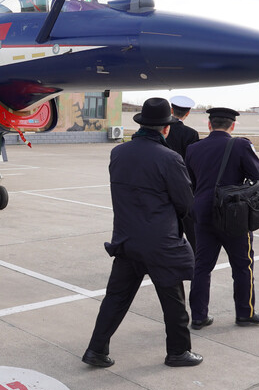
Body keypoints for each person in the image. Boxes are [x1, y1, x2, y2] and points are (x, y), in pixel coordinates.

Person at [82, 98, 202, 368]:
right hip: (161, 243)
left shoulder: (119, 153)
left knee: (115, 299)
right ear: (166, 128)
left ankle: (96, 349)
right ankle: (178, 352)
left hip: (126, 239)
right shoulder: (170, 158)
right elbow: (185, 204)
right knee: (173, 303)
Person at [186, 107, 259, 329]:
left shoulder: (193, 149)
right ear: (232, 126)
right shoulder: (240, 144)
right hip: (234, 214)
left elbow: (191, 181)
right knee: (242, 265)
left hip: (203, 212)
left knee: (202, 266)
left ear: (209, 124)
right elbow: (256, 176)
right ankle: (245, 313)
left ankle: (199, 316)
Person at [164, 94, 200, 253]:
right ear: (188, 113)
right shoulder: (191, 134)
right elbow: (194, 162)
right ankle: (196, 254)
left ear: (172, 110)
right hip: (184, 184)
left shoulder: (163, 128)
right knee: (191, 227)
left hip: (163, 184)